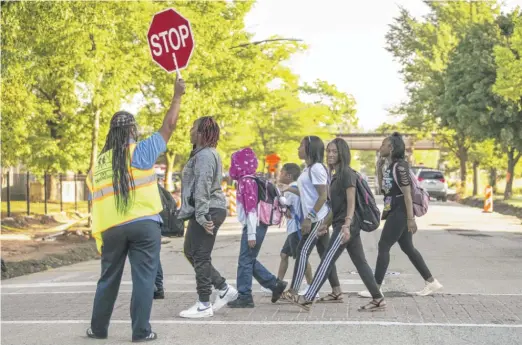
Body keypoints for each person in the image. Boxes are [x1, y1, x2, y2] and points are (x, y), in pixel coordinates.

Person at [86, 77, 185, 342]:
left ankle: (98, 330)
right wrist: (177, 96)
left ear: (110, 133)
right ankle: (141, 332)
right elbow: (169, 125)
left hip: (111, 229)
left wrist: (98, 234)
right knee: (144, 278)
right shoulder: (141, 151)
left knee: (108, 279)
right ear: (133, 130)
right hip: (144, 225)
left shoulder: (98, 165)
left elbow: (93, 201)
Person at [285, 138, 386, 311]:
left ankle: (308, 298)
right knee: (360, 262)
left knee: (327, 260)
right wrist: (326, 223)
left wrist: (346, 225)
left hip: (347, 226)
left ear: (342, 154)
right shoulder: (335, 175)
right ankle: (378, 298)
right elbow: (335, 207)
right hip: (342, 224)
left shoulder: (346, 173)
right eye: (329, 151)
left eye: (334, 152)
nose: (330, 155)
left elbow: (351, 202)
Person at [359, 132, 442, 298]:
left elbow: (407, 194)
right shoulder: (390, 166)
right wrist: (378, 167)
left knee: (383, 245)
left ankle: (376, 287)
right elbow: (384, 188)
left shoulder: (401, 166)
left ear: (391, 148)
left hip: (401, 210)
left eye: (383, 145)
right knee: (408, 247)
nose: (380, 147)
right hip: (394, 208)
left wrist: (410, 219)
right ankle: (431, 282)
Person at [177, 116, 238, 318]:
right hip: (205, 208)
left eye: (193, 128)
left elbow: (202, 185)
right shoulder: (202, 154)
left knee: (201, 256)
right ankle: (223, 288)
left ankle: (204, 304)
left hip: (208, 209)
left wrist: (202, 216)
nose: (190, 131)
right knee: (190, 251)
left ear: (202, 133)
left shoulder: (204, 156)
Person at [278, 136, 343, 303]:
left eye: (301, 146)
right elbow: (309, 194)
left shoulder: (316, 169)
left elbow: (323, 195)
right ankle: (336, 290)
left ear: (309, 149)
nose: (298, 149)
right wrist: (291, 190)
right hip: (317, 217)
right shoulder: (308, 169)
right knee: (325, 254)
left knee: (302, 251)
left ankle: (293, 291)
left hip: (317, 218)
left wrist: (309, 218)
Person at [226, 148, 287, 308]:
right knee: (248, 259)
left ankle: (245, 296)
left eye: (234, 163)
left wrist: (251, 233)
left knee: (245, 261)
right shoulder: (248, 179)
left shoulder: (247, 181)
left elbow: (251, 209)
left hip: (255, 225)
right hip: (256, 224)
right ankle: (274, 285)